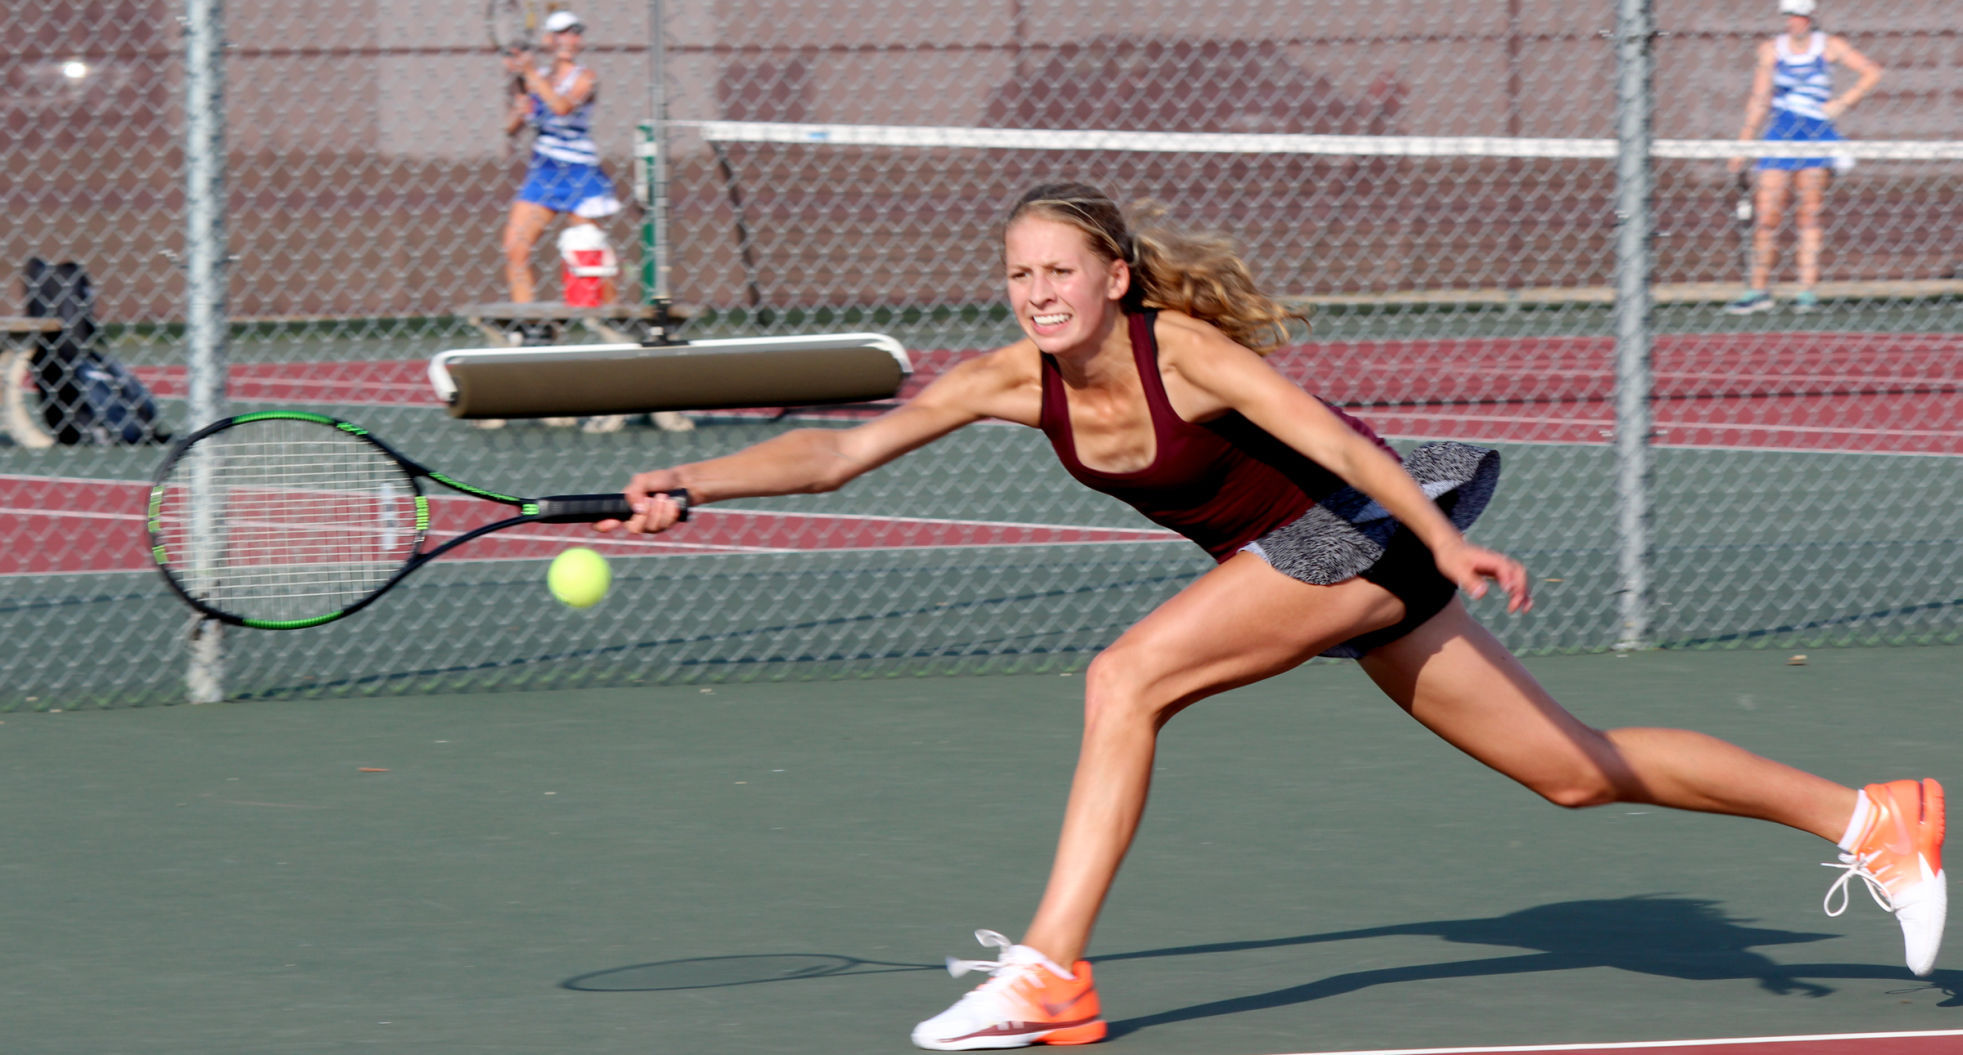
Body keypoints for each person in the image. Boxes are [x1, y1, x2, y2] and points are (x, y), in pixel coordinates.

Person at [598, 183, 1945, 1049]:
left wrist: (1442, 541)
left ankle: (1053, 974)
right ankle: (1868, 814)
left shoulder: (1179, 349)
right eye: (1017, 273)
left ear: (1114, 275)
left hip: (1359, 527)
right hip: (1311, 557)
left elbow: (1346, 447)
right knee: (1568, 772)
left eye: (1057, 269)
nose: (1034, 291)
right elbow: (833, 460)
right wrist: (686, 480)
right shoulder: (1007, 377)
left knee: (1124, 674)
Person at [1725, 0, 1883, 315]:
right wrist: (1743, 144)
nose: (1793, 22)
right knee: (1767, 216)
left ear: (1810, 18)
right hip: (1779, 137)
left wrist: (1842, 102)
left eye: (1798, 16)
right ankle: (1759, 290)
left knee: (1809, 216)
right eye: (1788, 16)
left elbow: (1872, 72)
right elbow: (1759, 99)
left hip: (1816, 138)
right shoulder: (1772, 50)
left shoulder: (1830, 46)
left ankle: (1806, 293)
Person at [501, 9, 622, 304]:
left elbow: (562, 106)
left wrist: (529, 74)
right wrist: (520, 101)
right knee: (515, 248)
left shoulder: (586, 78)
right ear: (548, 40)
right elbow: (511, 128)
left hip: (580, 174)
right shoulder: (537, 78)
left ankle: (613, 318)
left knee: (590, 250)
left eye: (575, 33)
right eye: (562, 33)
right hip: (544, 173)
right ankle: (528, 325)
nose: (569, 39)